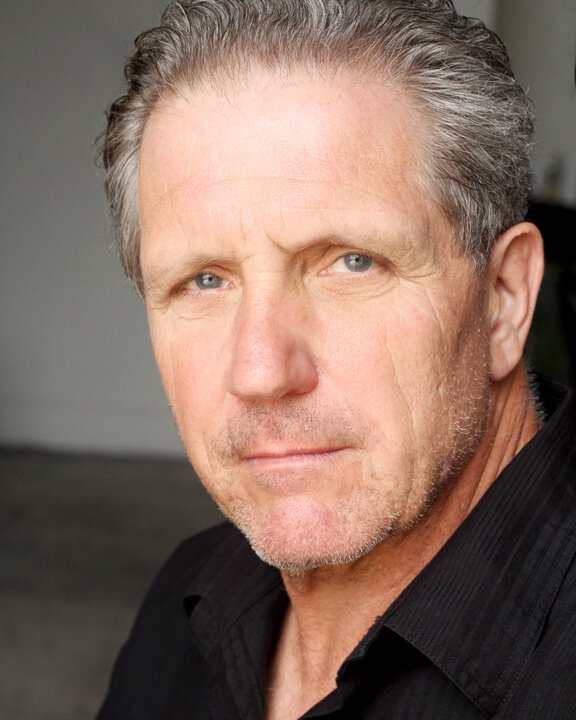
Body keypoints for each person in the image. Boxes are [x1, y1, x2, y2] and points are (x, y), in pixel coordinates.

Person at [96, 1, 576, 718]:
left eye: (352, 263)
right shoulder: (186, 598)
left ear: (503, 298)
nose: (261, 372)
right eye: (205, 280)